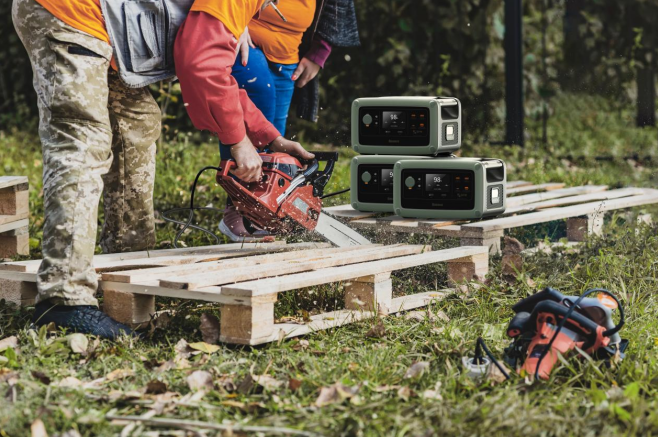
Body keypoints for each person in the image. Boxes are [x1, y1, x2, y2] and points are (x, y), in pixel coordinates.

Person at [12, 0, 313, 339]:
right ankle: (64, 298)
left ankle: (128, 268)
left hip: (109, 32)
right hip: (69, 13)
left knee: (137, 125)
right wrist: (238, 141)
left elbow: (207, 65)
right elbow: (201, 61)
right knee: (84, 137)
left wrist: (268, 137)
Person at [217, 0, 360, 241]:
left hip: (288, 51)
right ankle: (236, 208)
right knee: (259, 93)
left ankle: (263, 205)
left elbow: (337, 5)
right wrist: (230, 23)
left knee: (273, 136)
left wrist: (319, 51)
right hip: (244, 37)